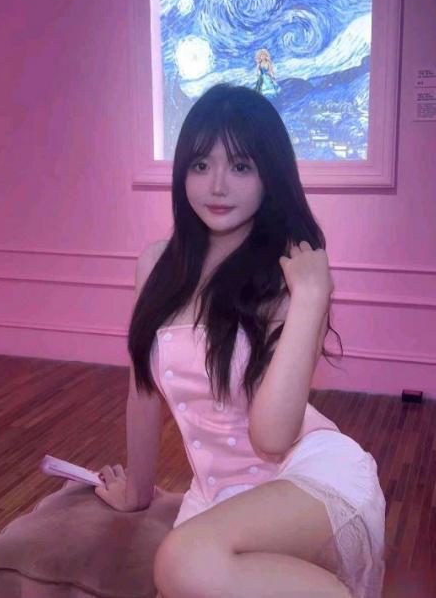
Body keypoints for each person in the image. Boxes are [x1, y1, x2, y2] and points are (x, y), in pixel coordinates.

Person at [95, 84, 386, 598]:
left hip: (305, 476)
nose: (217, 185)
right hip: (216, 496)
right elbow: (142, 390)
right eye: (200, 165)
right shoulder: (155, 265)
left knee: (181, 559)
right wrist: (137, 491)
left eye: (240, 166)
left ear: (268, 174)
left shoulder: (289, 277)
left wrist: (312, 297)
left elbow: (272, 439)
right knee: (183, 568)